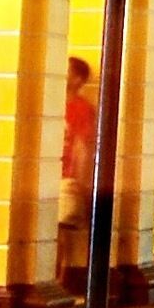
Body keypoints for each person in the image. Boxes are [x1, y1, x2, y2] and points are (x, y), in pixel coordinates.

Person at [57, 54, 99, 282]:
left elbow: (83, 146)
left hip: (66, 177)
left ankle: (58, 279)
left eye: (68, 71)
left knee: (60, 231)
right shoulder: (50, 103)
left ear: (78, 79)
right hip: (46, 176)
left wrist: (80, 180)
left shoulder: (81, 109)